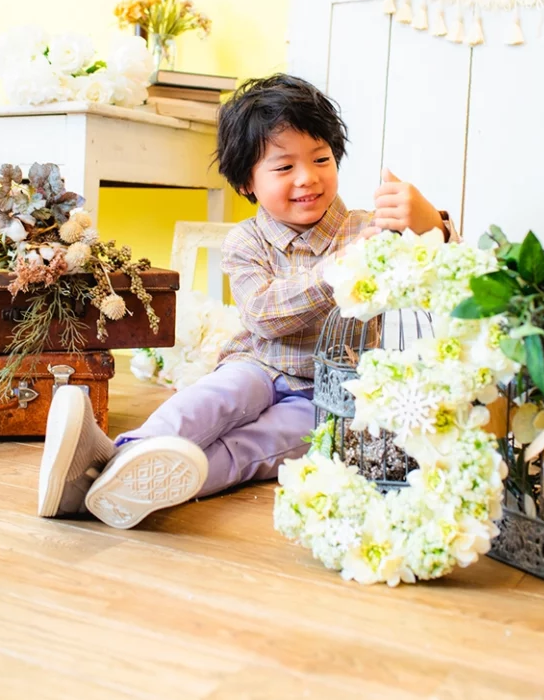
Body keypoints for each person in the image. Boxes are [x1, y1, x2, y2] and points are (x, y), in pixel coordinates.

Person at [37, 74, 456, 529]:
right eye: (284, 167)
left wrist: (431, 223)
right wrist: (338, 270)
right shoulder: (246, 241)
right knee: (210, 402)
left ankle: (131, 487)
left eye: (321, 158)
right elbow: (264, 315)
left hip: (327, 392)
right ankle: (118, 456)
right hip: (257, 365)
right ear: (246, 184)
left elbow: (452, 277)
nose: (308, 177)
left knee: (256, 448)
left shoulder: (367, 229)